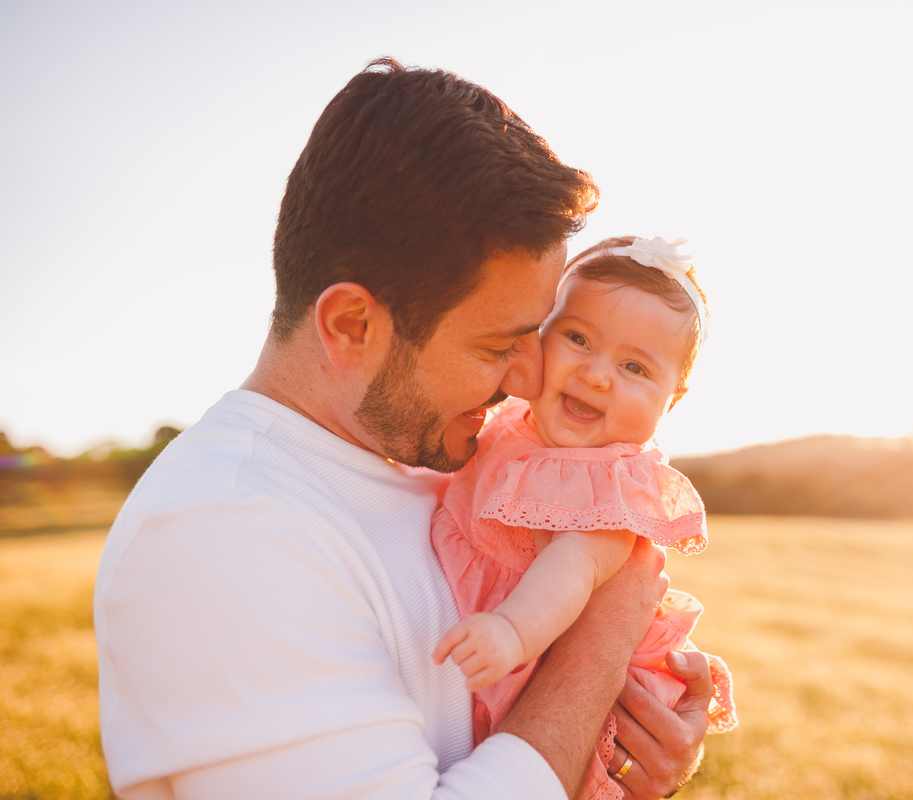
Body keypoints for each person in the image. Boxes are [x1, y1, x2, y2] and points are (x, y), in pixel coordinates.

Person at [93, 59, 712, 800]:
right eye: (496, 345)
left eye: (539, 334)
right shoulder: (220, 530)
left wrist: (628, 742)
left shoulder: (443, 458)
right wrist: (603, 640)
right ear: (353, 325)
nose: (529, 379)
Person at [430, 235, 737, 800]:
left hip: (550, 649)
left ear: (674, 399)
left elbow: (573, 565)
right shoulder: (509, 424)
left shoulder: (612, 483)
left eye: (634, 367)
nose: (597, 376)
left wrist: (512, 629)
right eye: (577, 338)